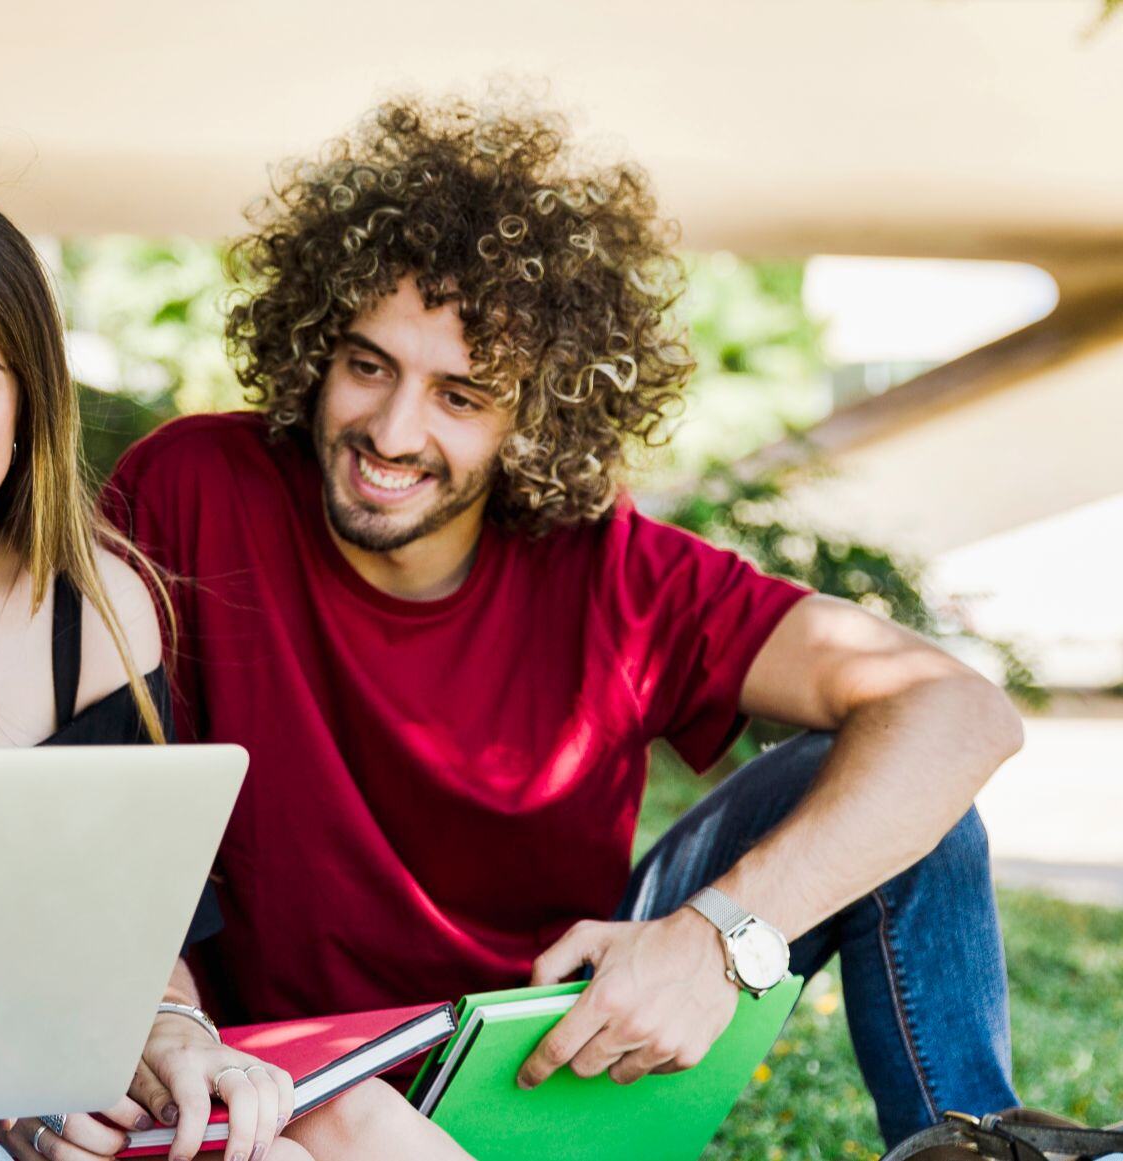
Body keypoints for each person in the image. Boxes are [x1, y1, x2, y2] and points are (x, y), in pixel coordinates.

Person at [103, 93, 1024, 1149]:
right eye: (368, 365)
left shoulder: (616, 571)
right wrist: (166, 1018)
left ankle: (975, 1143)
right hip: (287, 1086)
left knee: (909, 787)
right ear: (315, 346)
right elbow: (91, 796)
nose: (392, 431)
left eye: (462, 395)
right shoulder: (192, 489)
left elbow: (962, 713)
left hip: (550, 1061)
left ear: (539, 414)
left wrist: (715, 940)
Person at [0, 188, 465, 1161]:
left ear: (29, 403)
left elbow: (149, 953)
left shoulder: (99, 613)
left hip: (52, 1098)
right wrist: (13, 1108)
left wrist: (179, 1038)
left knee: (346, 1129)